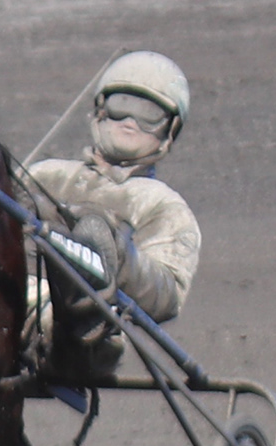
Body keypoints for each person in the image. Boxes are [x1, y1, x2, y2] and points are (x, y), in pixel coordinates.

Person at [25, 50, 203, 341]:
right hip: (6, 293)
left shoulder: (162, 206)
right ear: (101, 110)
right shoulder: (44, 175)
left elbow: (166, 296)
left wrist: (115, 254)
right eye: (123, 105)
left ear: (170, 129)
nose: (131, 121)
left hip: (87, 332)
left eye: (149, 113)